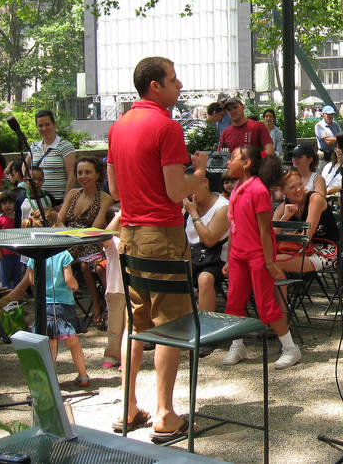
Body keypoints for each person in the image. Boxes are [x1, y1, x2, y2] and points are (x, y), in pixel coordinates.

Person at [107, 56, 207, 441]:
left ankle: (129, 407)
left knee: (138, 325)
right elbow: (175, 191)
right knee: (172, 325)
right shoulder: (167, 127)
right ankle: (165, 414)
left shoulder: (118, 128)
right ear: (155, 86)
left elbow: (114, 191)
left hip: (129, 235)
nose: (179, 85)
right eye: (173, 79)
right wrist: (197, 173)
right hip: (161, 237)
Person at [220, 145, 302, 369]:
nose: (228, 162)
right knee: (234, 301)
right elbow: (233, 226)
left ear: (247, 164)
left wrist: (270, 262)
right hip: (238, 255)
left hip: (258, 256)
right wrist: (229, 258)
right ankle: (237, 345)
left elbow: (265, 231)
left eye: (233, 157)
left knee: (266, 304)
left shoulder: (258, 190)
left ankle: (290, 348)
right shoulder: (237, 187)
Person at [26, 220, 90, 388]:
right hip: (63, 304)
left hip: (44, 305)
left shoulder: (33, 255)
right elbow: (69, 279)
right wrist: (75, 285)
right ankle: (83, 376)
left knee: (50, 343)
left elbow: (32, 280)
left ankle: (51, 380)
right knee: (73, 341)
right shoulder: (63, 254)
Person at [58, 156, 114, 327]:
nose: (83, 176)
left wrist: (71, 234)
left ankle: (100, 305)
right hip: (68, 241)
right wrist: (67, 234)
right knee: (50, 259)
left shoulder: (105, 197)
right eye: (80, 172)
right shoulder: (73, 194)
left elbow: (95, 228)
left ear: (98, 174)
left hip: (91, 242)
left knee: (85, 264)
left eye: (88, 172)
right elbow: (59, 219)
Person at [274, 169, 339, 277]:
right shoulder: (282, 208)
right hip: (297, 251)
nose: (298, 189)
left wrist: (288, 236)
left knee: (274, 263)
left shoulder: (315, 199)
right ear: (282, 190)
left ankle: (281, 294)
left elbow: (305, 238)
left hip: (325, 251)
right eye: (292, 187)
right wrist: (285, 217)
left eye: (300, 184)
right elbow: (271, 238)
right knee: (263, 261)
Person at [183, 173, 229, 315]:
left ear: (205, 182)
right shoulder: (188, 207)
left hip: (216, 260)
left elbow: (209, 240)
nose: (189, 194)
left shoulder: (223, 207)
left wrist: (193, 214)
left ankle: (204, 328)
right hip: (192, 257)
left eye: (190, 187)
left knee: (205, 279)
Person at [29, 109, 76, 204]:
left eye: (47, 124)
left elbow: (72, 175)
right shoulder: (34, 146)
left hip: (57, 200)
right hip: (38, 200)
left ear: (54, 124)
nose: (44, 128)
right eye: (40, 126)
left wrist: (65, 202)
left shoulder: (65, 146)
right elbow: (25, 167)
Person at [101, 209, 124, 370]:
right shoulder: (113, 243)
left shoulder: (136, 241)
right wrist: (120, 214)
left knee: (131, 325)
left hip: (132, 288)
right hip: (115, 288)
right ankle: (112, 355)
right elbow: (106, 235)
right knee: (115, 327)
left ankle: (127, 356)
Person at [0, 191, 23, 289]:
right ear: (0, 206)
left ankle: (17, 296)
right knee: (5, 277)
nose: (7, 205)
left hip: (17, 252)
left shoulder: (18, 218)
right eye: (4, 203)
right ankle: (6, 296)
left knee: (17, 276)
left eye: (10, 203)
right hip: (4, 253)